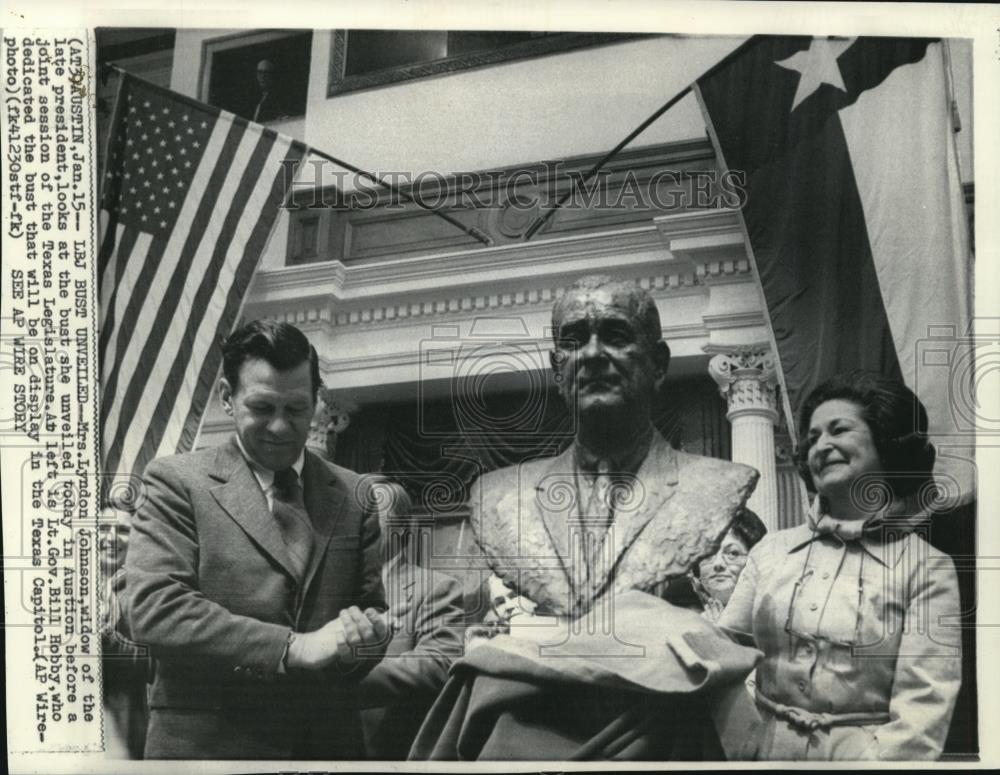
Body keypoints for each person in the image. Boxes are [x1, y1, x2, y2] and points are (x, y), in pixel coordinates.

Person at [411, 275, 763, 760]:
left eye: (616, 337)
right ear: (558, 370)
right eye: (574, 342)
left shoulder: (713, 485)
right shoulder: (499, 496)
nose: (593, 354)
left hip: (658, 719)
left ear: (658, 363)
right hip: (535, 722)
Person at [124, 320, 388, 759]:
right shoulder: (176, 482)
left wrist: (360, 641)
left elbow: (369, 612)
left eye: (297, 409)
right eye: (262, 408)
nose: (281, 427)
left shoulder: (354, 495)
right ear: (227, 397)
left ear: (318, 402)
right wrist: (292, 647)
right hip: (206, 751)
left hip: (327, 748)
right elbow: (155, 608)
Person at [718, 371, 962, 760]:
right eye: (812, 438)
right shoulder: (770, 551)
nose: (821, 445)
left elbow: (924, 706)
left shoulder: (927, 568)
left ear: (884, 441)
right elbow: (722, 654)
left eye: (838, 430)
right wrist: (739, 742)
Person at [357, 481, 466, 759]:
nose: (358, 527)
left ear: (401, 527)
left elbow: (439, 662)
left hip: (388, 751)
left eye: (370, 517)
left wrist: (344, 681)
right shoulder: (329, 586)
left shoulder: (436, 587)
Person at [689, 508, 767, 623]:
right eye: (708, 554)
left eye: (733, 553)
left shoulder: (772, 621)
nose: (718, 564)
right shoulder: (686, 626)